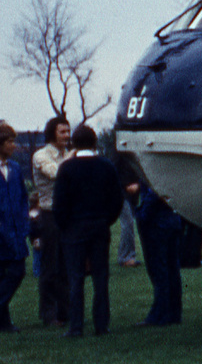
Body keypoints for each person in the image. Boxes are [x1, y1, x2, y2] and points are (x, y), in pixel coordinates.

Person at [52, 125, 123, 337]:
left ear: (73, 143)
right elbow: (117, 200)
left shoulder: (66, 168)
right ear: (95, 143)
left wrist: (64, 226)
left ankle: (76, 326)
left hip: (74, 228)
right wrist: (105, 220)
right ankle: (102, 325)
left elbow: (59, 204)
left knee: (75, 278)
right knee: (100, 277)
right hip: (99, 225)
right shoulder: (107, 166)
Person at [123, 171, 182, 326]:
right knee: (172, 269)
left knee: (159, 269)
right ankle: (173, 312)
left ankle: (159, 313)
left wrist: (141, 214)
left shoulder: (153, 169)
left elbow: (154, 192)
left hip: (157, 223)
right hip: (172, 220)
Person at [31, 117, 72, 327]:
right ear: (52, 133)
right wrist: (75, 159)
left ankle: (65, 312)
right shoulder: (41, 155)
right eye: (62, 132)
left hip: (66, 214)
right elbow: (56, 173)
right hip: (49, 214)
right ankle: (49, 313)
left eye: (68, 132)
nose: (67, 136)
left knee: (66, 265)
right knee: (50, 266)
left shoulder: (68, 154)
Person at [0, 124, 29, 332]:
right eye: (9, 141)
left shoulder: (15, 168)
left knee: (18, 271)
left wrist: (25, 223)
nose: (13, 145)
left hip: (15, 231)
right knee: (4, 275)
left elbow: (22, 199)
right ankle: (4, 322)